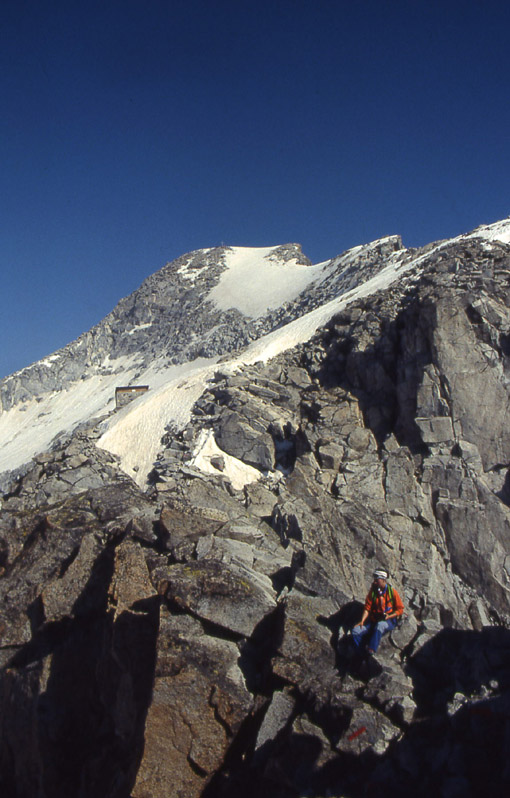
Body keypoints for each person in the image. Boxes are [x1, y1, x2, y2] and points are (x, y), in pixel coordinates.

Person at [351, 569, 404, 656]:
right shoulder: (373, 592)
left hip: (388, 621)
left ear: (383, 580)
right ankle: (361, 653)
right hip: (373, 620)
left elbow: (400, 609)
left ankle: (371, 650)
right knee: (356, 631)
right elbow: (367, 608)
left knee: (380, 625)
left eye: (377, 580)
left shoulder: (392, 592)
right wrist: (362, 621)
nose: (375, 582)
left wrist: (389, 616)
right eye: (375, 580)